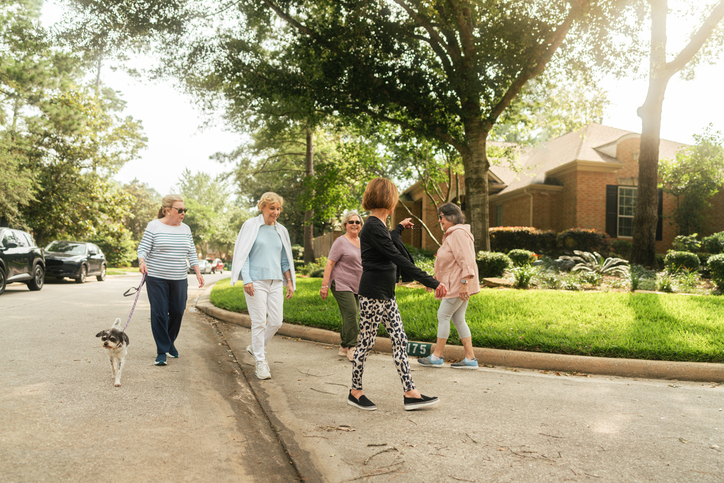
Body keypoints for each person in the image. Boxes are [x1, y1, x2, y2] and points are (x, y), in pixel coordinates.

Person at [348, 177, 447, 412]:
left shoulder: (378, 226)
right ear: (390, 200)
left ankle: (410, 393)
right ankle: (355, 391)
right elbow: (397, 256)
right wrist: (432, 282)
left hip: (386, 293)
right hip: (373, 294)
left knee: (400, 339)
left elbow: (389, 243)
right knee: (366, 343)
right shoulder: (372, 225)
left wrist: (399, 228)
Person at [230, 192, 295, 380]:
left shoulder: (281, 230)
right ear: (262, 208)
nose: (275, 212)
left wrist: (289, 281)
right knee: (259, 322)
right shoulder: (251, 226)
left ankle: (255, 347)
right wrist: (247, 279)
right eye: (272, 208)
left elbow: (285, 260)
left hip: (276, 282)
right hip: (256, 281)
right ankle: (260, 362)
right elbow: (244, 254)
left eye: (278, 209)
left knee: (276, 321)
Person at [137, 194, 205, 366]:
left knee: (177, 310)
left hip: (179, 277)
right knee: (159, 312)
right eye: (179, 210)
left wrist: (197, 272)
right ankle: (162, 351)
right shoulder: (154, 226)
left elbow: (191, 253)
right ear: (167, 210)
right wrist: (142, 261)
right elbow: (143, 248)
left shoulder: (186, 229)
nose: (183, 213)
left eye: (184, 210)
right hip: (156, 277)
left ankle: (169, 342)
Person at [418, 202, 480, 369]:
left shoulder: (458, 234)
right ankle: (470, 358)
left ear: (451, 217)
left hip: (458, 285)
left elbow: (466, 260)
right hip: (456, 284)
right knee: (458, 318)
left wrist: (465, 283)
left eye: (441, 217)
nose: (440, 221)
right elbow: (448, 263)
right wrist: (434, 281)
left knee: (443, 315)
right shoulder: (452, 235)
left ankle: (437, 356)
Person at [320, 211, 363, 362]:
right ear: (345, 225)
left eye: (357, 222)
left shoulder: (362, 242)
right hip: (340, 282)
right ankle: (352, 347)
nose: (354, 224)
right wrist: (324, 285)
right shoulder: (340, 241)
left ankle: (343, 347)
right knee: (351, 312)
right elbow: (330, 263)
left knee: (350, 314)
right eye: (351, 222)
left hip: (357, 284)